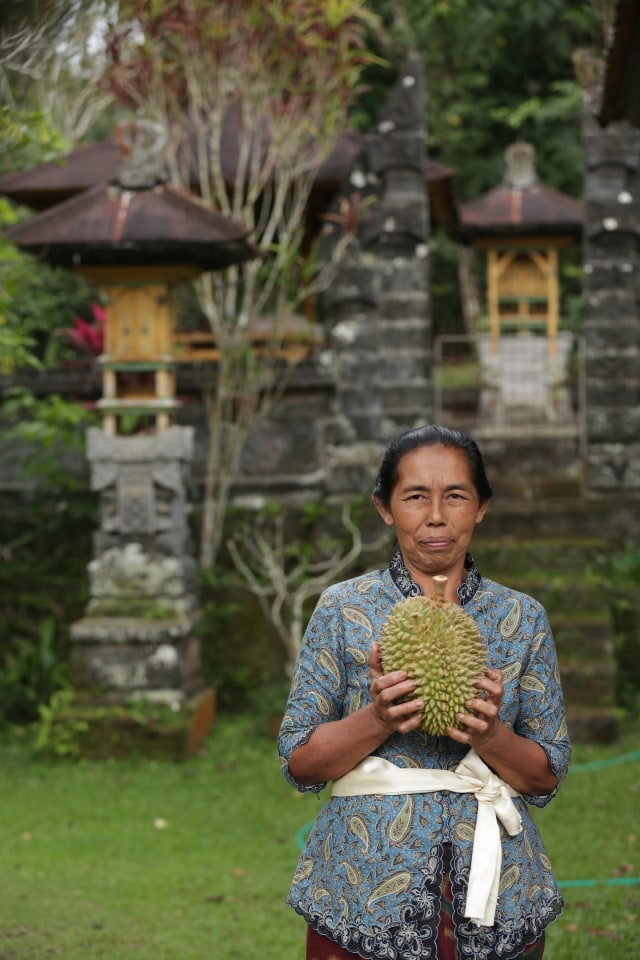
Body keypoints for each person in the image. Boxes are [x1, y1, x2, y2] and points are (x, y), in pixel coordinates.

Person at [278, 424, 571, 960]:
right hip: (359, 887)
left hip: (501, 885)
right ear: (385, 508)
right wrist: (379, 717)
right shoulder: (343, 608)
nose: (436, 515)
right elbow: (300, 763)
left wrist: (491, 734)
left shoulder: (521, 618)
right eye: (415, 496)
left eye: (455, 496)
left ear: (481, 506)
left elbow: (544, 776)